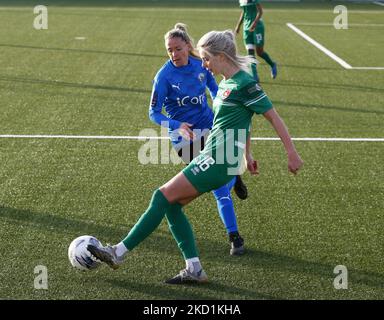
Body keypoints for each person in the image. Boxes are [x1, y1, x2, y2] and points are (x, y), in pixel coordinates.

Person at [88, 30, 303, 285]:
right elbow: (244, 120)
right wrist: (247, 153)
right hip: (216, 156)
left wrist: (291, 153)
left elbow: (273, 117)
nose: (203, 65)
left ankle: (118, 252)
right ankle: (194, 269)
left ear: (221, 56)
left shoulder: (245, 84)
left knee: (161, 196)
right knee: (171, 205)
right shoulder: (225, 83)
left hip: (218, 159)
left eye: (206, 59)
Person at [149, 23, 247, 255]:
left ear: (188, 47)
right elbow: (153, 113)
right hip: (185, 141)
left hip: (211, 128)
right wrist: (177, 125)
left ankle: (234, 236)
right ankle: (234, 174)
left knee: (220, 189)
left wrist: (220, 106)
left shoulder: (201, 66)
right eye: (169, 50)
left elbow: (215, 90)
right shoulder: (163, 76)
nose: (174, 54)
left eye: (178, 49)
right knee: (213, 183)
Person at [235, 0, 277, 81]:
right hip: (246, 28)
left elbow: (260, 11)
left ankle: (272, 64)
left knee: (259, 52)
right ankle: (254, 75)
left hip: (257, 27)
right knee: (250, 52)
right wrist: (238, 26)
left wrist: (254, 23)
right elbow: (244, 12)